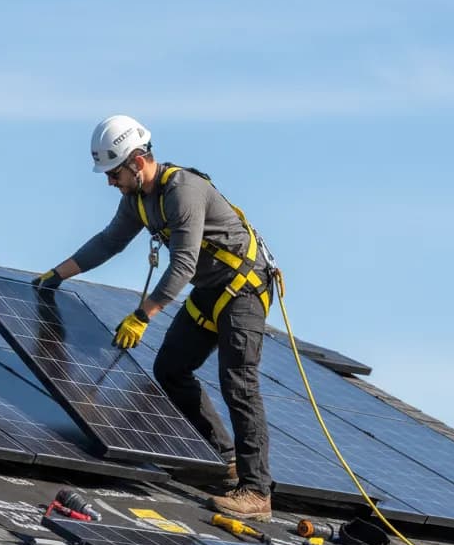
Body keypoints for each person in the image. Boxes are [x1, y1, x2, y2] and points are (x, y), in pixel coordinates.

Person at [33, 114, 279, 520]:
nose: (111, 182)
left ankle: (256, 492)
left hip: (244, 288)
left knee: (238, 382)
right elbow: (110, 241)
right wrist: (58, 273)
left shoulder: (184, 192)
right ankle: (226, 461)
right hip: (210, 290)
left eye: (114, 173)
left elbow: (182, 265)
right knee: (170, 368)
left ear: (136, 161)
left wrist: (143, 315)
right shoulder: (137, 200)